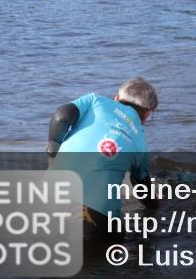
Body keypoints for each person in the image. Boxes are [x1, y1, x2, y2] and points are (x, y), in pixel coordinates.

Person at [47, 77, 160, 241]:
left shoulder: (95, 101)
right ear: (147, 115)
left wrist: (52, 154)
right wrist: (156, 206)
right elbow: (143, 191)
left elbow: (61, 117)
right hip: (97, 222)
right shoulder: (140, 144)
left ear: (116, 98)